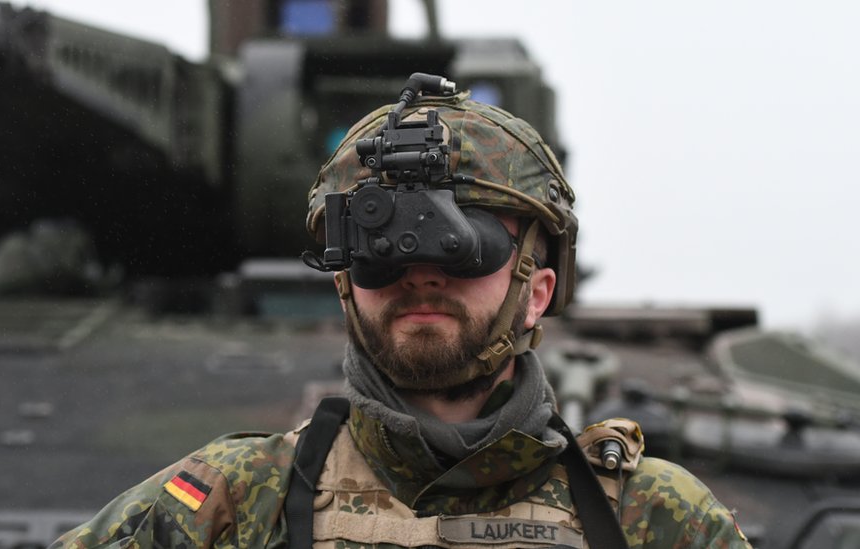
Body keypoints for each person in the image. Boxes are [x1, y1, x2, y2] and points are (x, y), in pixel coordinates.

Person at [52, 76, 751, 548]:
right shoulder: (230, 502)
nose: (420, 273)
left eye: (464, 244)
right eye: (381, 245)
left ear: (536, 291)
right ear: (346, 281)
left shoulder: (655, 518)